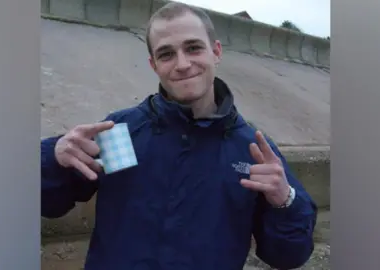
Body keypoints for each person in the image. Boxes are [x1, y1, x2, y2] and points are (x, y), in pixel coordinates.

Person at [41, 2, 318, 270]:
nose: (183, 64)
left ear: (216, 52)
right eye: (166, 54)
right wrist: (54, 159)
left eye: (193, 48)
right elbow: (48, 202)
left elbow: (288, 256)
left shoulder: (252, 150)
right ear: (154, 65)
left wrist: (285, 201)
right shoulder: (122, 134)